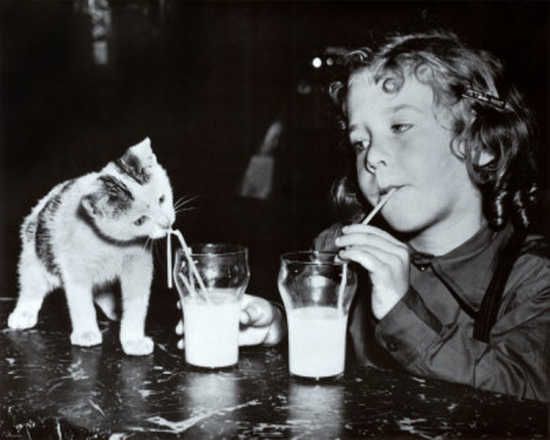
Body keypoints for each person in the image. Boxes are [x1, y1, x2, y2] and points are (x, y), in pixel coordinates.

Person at [176, 30, 550, 402]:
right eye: (360, 142)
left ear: (481, 144)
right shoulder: (342, 253)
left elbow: (529, 392)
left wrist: (402, 311)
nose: (372, 157)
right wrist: (278, 326)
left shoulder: (533, 277)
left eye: (400, 127)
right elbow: (322, 338)